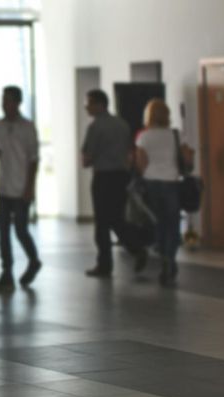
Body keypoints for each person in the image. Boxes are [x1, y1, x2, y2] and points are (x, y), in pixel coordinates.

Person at [81, 89, 148, 278]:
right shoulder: (122, 124)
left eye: (89, 103)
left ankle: (104, 264)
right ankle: (136, 248)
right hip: (121, 177)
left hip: (103, 177)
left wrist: (90, 159)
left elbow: (87, 158)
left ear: (100, 104)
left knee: (102, 222)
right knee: (117, 218)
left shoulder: (95, 127)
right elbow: (129, 152)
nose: (86, 107)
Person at [0, 86, 42, 290]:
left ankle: (33, 259)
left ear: (18, 103)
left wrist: (30, 187)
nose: (5, 105)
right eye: (3, 100)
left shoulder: (28, 127)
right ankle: (6, 272)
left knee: (20, 229)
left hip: (20, 187)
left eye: (8, 101)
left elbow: (34, 159)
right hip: (2, 186)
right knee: (3, 232)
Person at [135, 99, 193, 285]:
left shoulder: (144, 137)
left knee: (158, 222)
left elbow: (140, 163)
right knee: (173, 222)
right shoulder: (176, 135)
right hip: (171, 182)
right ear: (167, 115)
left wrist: (146, 175)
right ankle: (170, 258)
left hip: (151, 183)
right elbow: (187, 157)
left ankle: (162, 256)